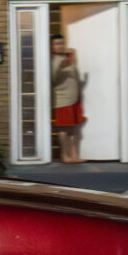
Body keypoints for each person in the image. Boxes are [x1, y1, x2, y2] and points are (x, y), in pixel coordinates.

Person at [51, 34, 85, 163]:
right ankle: (65, 156)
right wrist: (60, 67)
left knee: (75, 128)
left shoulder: (67, 58)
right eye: (56, 43)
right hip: (62, 99)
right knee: (64, 129)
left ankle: (74, 155)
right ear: (52, 46)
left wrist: (73, 56)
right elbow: (52, 79)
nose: (60, 45)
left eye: (61, 43)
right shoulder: (53, 60)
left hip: (75, 98)